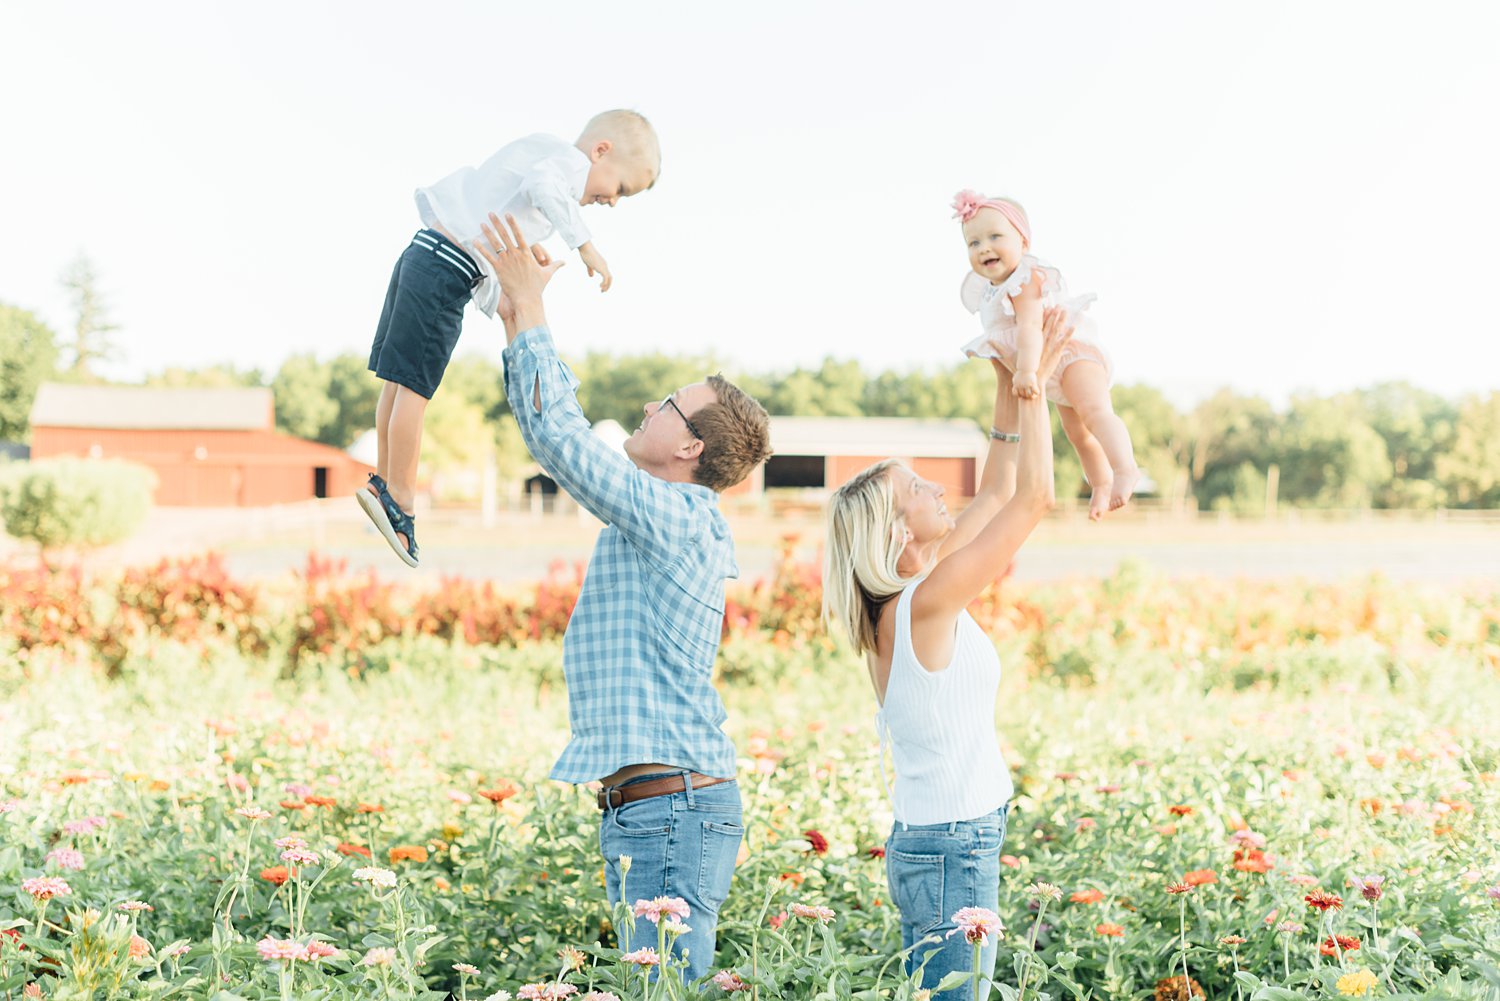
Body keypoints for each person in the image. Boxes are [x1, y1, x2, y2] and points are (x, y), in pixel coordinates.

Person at [473, 212, 772, 982]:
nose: (648, 407)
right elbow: (555, 439)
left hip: (672, 809)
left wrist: (533, 312)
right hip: (652, 809)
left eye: (667, 404)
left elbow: (566, 443)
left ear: (690, 447)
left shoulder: (674, 515)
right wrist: (515, 313)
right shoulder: (661, 512)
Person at [822, 309, 1075, 1001]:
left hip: (950, 840)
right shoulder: (923, 606)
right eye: (917, 489)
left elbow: (996, 489)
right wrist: (1034, 383)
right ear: (897, 529)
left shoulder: (910, 598)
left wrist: (1003, 372)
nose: (938, 488)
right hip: (951, 846)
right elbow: (1035, 497)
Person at [359, 110, 661, 566]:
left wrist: (504, 297)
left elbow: (486, 243)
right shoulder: (565, 165)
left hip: (426, 254)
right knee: (415, 391)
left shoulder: (540, 161)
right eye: (620, 189)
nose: (613, 202)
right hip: (445, 272)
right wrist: (584, 245)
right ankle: (399, 498)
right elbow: (545, 186)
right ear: (602, 151)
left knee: (397, 383)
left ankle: (382, 482)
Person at [953, 189, 1139, 520]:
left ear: (1023, 243)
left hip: (1071, 355)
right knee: (1077, 434)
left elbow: (1028, 328)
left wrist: (1025, 371)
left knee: (1094, 412)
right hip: (1049, 368)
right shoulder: (989, 291)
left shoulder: (1025, 279)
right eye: (974, 243)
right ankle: (1099, 484)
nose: (984, 248)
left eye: (996, 236)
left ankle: (1125, 468)